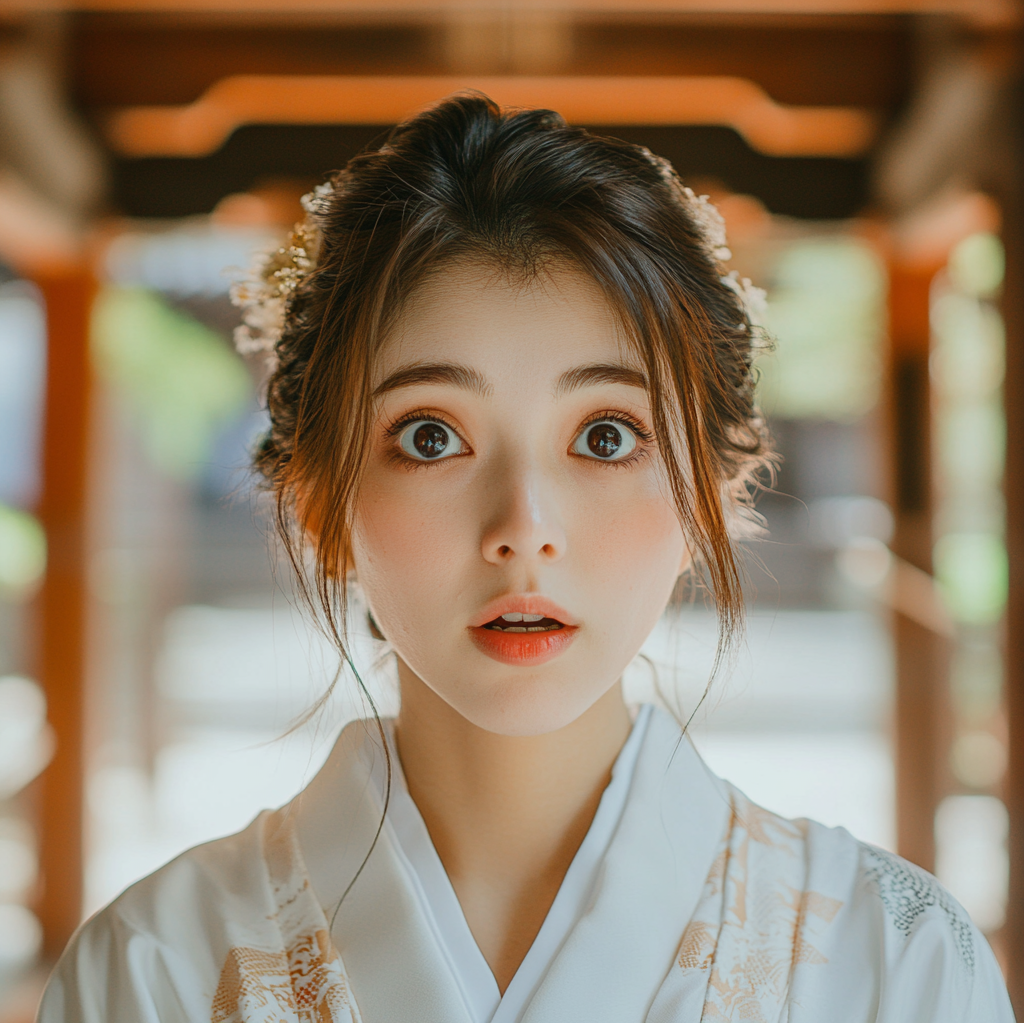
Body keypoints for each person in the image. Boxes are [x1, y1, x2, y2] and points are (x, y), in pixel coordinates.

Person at [38, 94, 1014, 1023]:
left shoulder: (897, 961)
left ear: (711, 492)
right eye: (429, 436)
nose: (523, 525)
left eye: (603, 437)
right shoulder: (150, 967)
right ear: (318, 501)